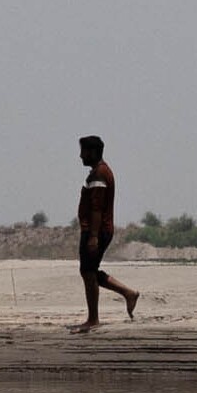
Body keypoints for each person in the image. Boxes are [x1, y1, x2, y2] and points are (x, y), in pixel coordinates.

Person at [75, 135, 140, 330]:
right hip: (97, 230)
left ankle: (93, 319)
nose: (80, 156)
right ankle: (128, 293)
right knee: (89, 271)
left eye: (83, 151)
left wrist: (93, 236)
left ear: (93, 152)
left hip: (97, 230)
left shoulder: (99, 174)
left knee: (88, 272)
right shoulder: (99, 172)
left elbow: (97, 208)